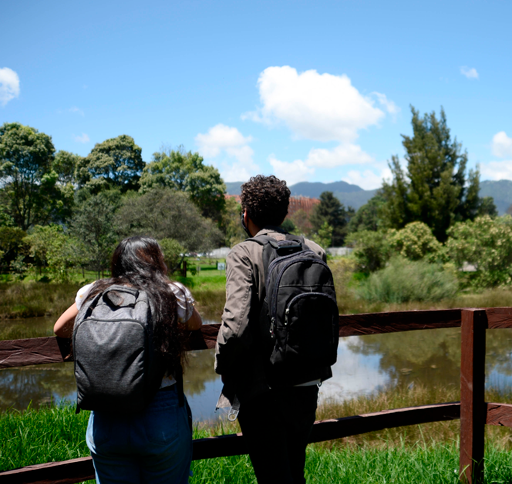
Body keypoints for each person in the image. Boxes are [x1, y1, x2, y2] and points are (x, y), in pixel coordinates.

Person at [54, 236, 202, 484]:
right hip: (160, 409)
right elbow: (195, 324)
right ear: (156, 262)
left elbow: (59, 328)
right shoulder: (171, 292)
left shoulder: (93, 291)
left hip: (106, 412)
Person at [214, 175, 330, 484]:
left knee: (273, 478)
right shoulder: (314, 249)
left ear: (246, 214)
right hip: (307, 383)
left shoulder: (243, 253)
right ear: (285, 213)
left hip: (262, 390)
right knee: (294, 471)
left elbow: (235, 327)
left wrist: (222, 365)